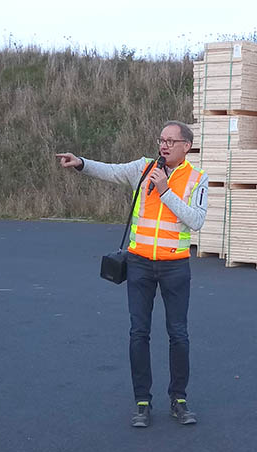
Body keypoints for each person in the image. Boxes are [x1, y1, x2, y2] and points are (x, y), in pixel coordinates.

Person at [55, 121, 207, 427]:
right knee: (139, 332)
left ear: (186, 146)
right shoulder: (143, 168)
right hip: (139, 264)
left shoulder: (197, 179)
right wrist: (81, 164)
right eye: (161, 140)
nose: (163, 145)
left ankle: (179, 399)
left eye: (170, 141)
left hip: (175, 266)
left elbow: (196, 221)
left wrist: (165, 191)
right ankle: (142, 401)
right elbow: (111, 171)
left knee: (178, 334)